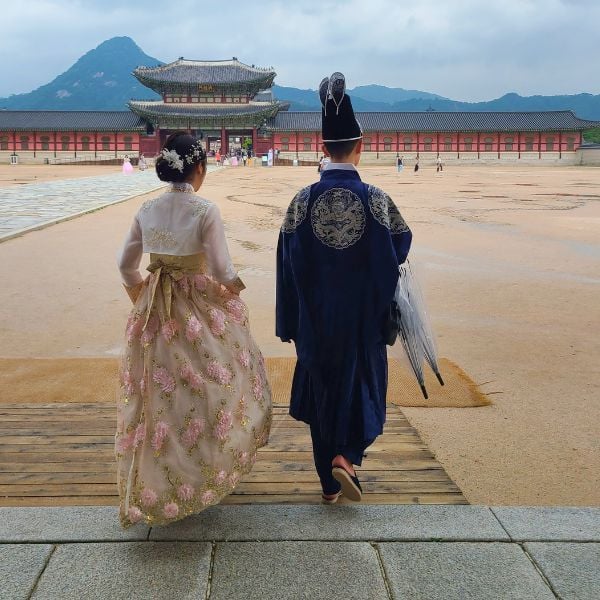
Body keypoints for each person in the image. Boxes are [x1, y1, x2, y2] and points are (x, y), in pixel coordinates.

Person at [116, 132, 272, 528]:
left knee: (156, 393)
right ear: (200, 168)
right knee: (214, 383)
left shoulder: (146, 209)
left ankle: (155, 480)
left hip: (155, 308)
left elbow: (125, 265)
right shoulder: (205, 210)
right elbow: (222, 270)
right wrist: (231, 294)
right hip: (195, 306)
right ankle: (203, 469)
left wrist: (143, 297)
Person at [276, 73, 412, 504]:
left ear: (322, 149)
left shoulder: (300, 201)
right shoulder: (377, 200)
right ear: (360, 146)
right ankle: (349, 456)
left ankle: (328, 485)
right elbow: (402, 244)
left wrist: (289, 321)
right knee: (363, 388)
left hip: (315, 322)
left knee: (322, 394)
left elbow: (284, 264)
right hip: (362, 322)